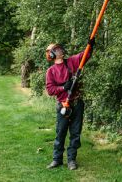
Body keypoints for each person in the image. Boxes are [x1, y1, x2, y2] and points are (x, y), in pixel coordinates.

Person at [44, 42, 91, 171]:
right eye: (57, 49)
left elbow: (85, 56)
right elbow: (50, 90)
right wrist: (63, 87)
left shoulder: (71, 62)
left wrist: (90, 45)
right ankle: (57, 159)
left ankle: (71, 160)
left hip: (76, 103)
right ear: (52, 54)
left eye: (60, 48)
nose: (61, 50)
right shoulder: (51, 71)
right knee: (60, 133)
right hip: (63, 105)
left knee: (75, 133)